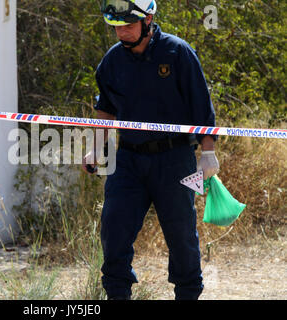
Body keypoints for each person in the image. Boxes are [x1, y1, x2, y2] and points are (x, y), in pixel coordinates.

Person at [82, 0, 220, 300]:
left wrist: (207, 152)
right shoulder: (112, 62)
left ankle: (188, 294)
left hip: (175, 161)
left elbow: (201, 107)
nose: (122, 33)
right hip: (128, 160)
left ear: (149, 19)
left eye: (128, 26)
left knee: (181, 236)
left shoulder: (178, 52)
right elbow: (105, 109)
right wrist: (96, 148)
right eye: (117, 27)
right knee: (113, 229)